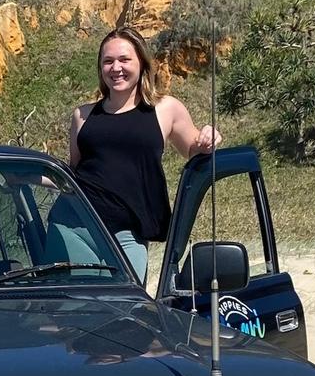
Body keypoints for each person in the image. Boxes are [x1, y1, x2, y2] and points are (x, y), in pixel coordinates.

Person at [69, 25, 220, 284]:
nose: (116, 68)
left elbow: (194, 150)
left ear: (142, 63)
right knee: (73, 305)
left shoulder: (165, 109)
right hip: (74, 227)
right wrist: (28, 174)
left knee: (128, 303)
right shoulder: (82, 115)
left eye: (124, 59)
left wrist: (209, 136)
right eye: (108, 61)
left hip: (129, 234)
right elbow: (72, 173)